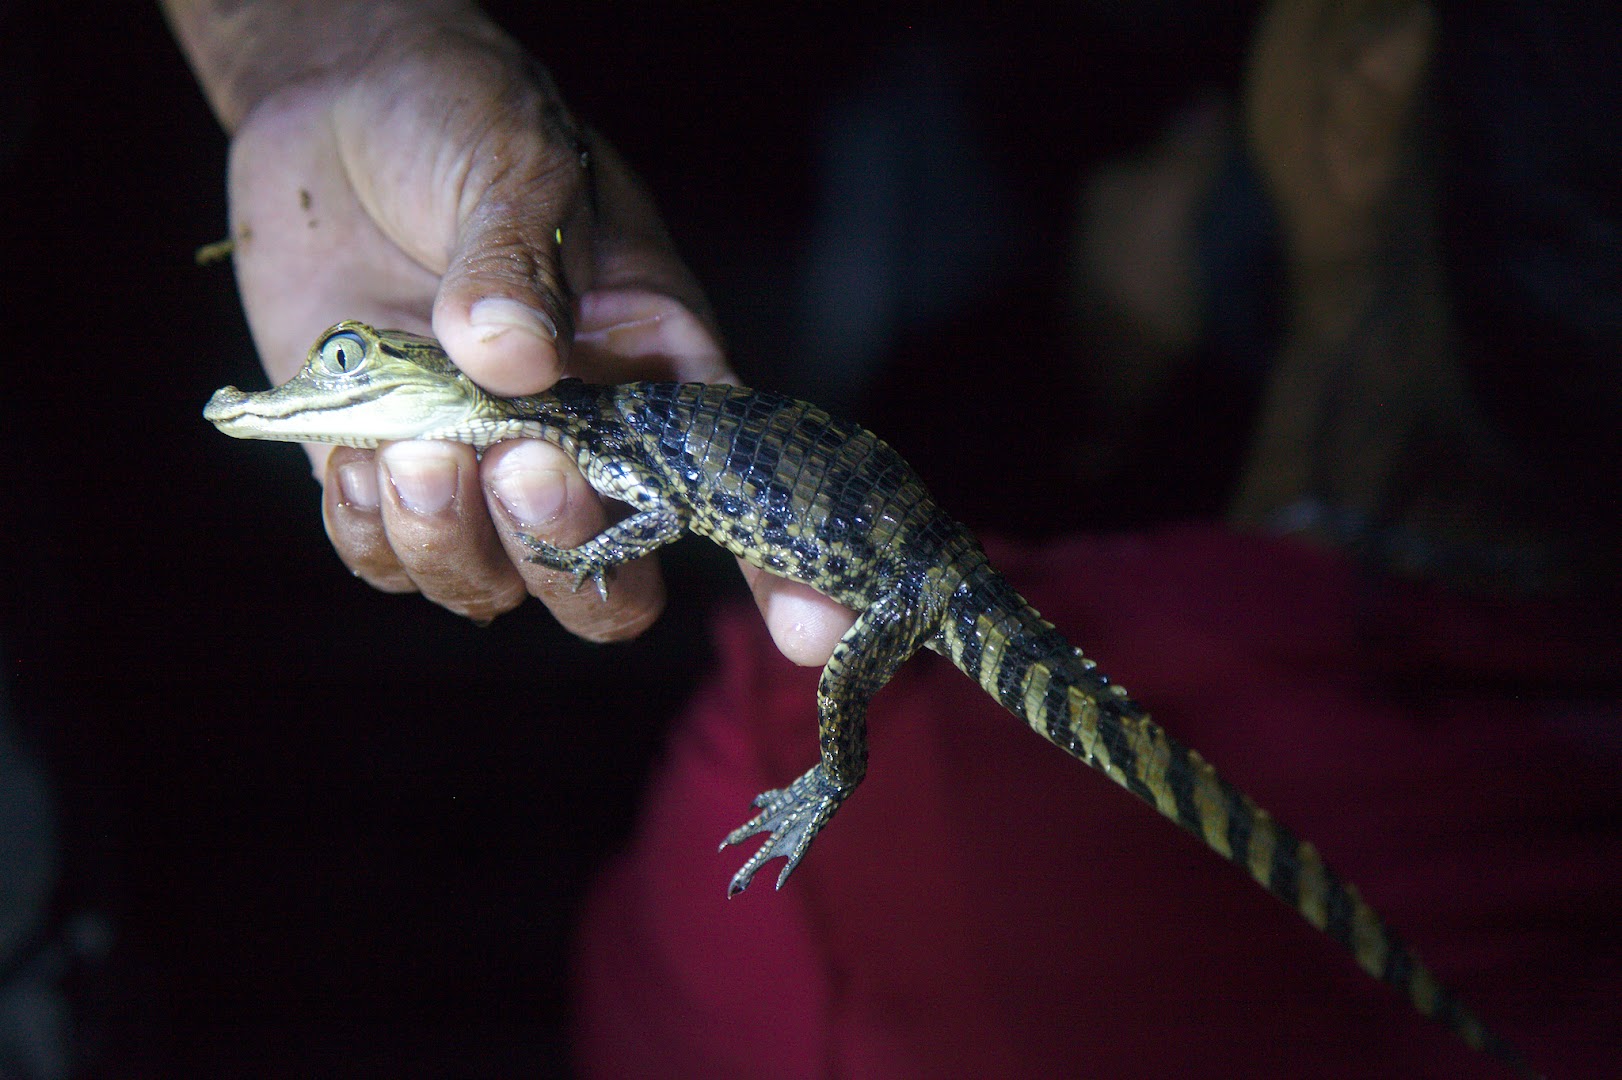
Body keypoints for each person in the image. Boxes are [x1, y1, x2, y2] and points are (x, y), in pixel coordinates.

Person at [168, 2, 1620, 1077]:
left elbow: (669, 488)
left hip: (905, 581)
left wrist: (818, 769)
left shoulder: (597, 431)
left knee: (837, 682)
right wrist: (317, 58)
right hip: (869, 531)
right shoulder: (584, 414)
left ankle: (1416, 988)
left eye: (361, 366)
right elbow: (656, 475)